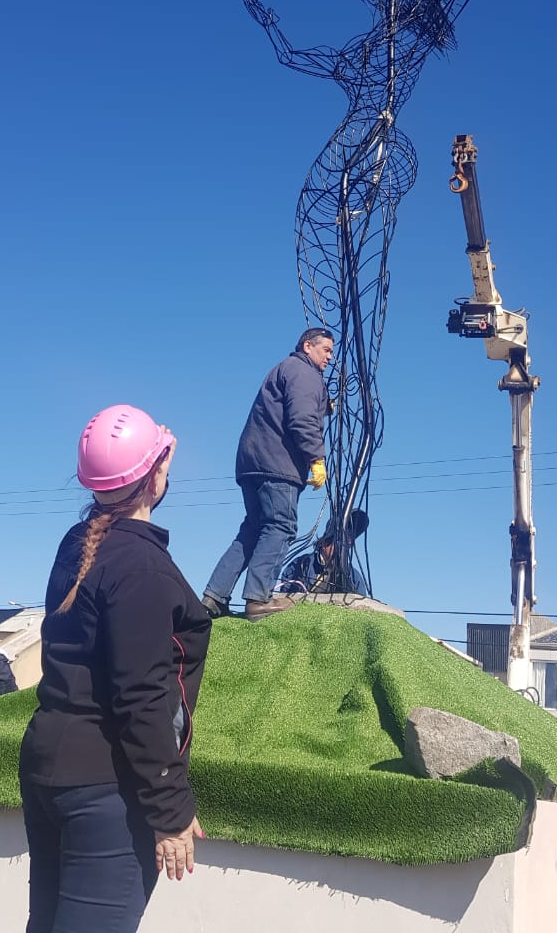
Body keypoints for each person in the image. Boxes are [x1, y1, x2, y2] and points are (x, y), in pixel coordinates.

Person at [20, 404, 211, 933]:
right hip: (104, 788)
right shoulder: (142, 566)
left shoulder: (80, 543)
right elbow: (143, 696)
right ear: (155, 477)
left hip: (49, 767)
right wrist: (170, 810)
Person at [202, 327, 334, 622]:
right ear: (307, 345)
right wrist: (316, 457)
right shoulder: (304, 372)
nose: (330, 357)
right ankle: (258, 600)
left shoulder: (286, 369)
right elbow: (301, 417)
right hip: (278, 464)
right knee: (281, 526)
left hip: (252, 462)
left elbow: (297, 405)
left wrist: (325, 404)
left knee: (253, 528)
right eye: (326, 350)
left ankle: (214, 596)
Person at [279, 509, 369, 596]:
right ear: (324, 543)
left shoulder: (354, 577)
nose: (342, 551)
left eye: (347, 546)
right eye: (339, 544)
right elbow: (284, 597)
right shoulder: (300, 565)